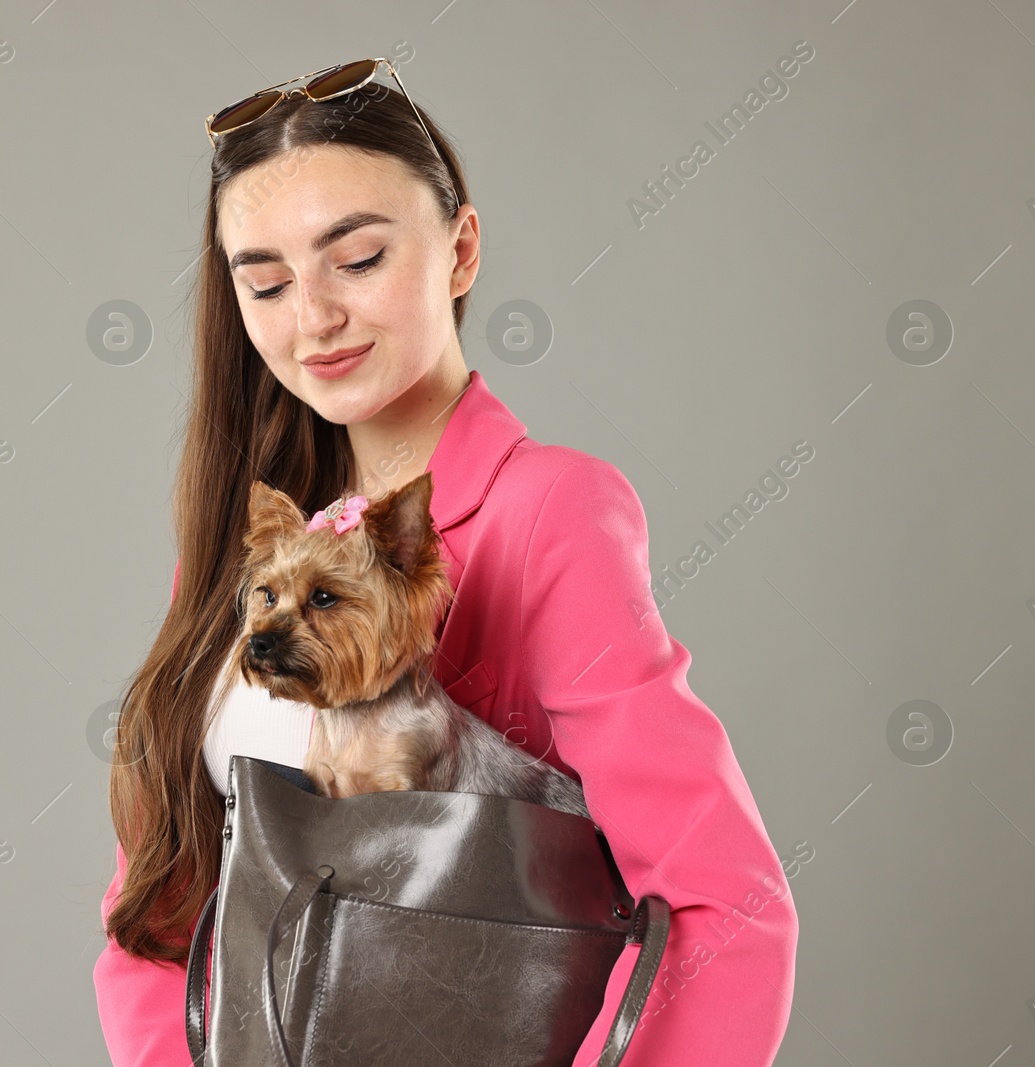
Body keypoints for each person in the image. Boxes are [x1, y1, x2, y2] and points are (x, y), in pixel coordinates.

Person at [93, 58, 797, 1065]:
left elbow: (721, 902)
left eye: (359, 258)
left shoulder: (548, 510)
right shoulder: (239, 552)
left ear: (460, 249)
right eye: (266, 280)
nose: (313, 316)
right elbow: (156, 905)